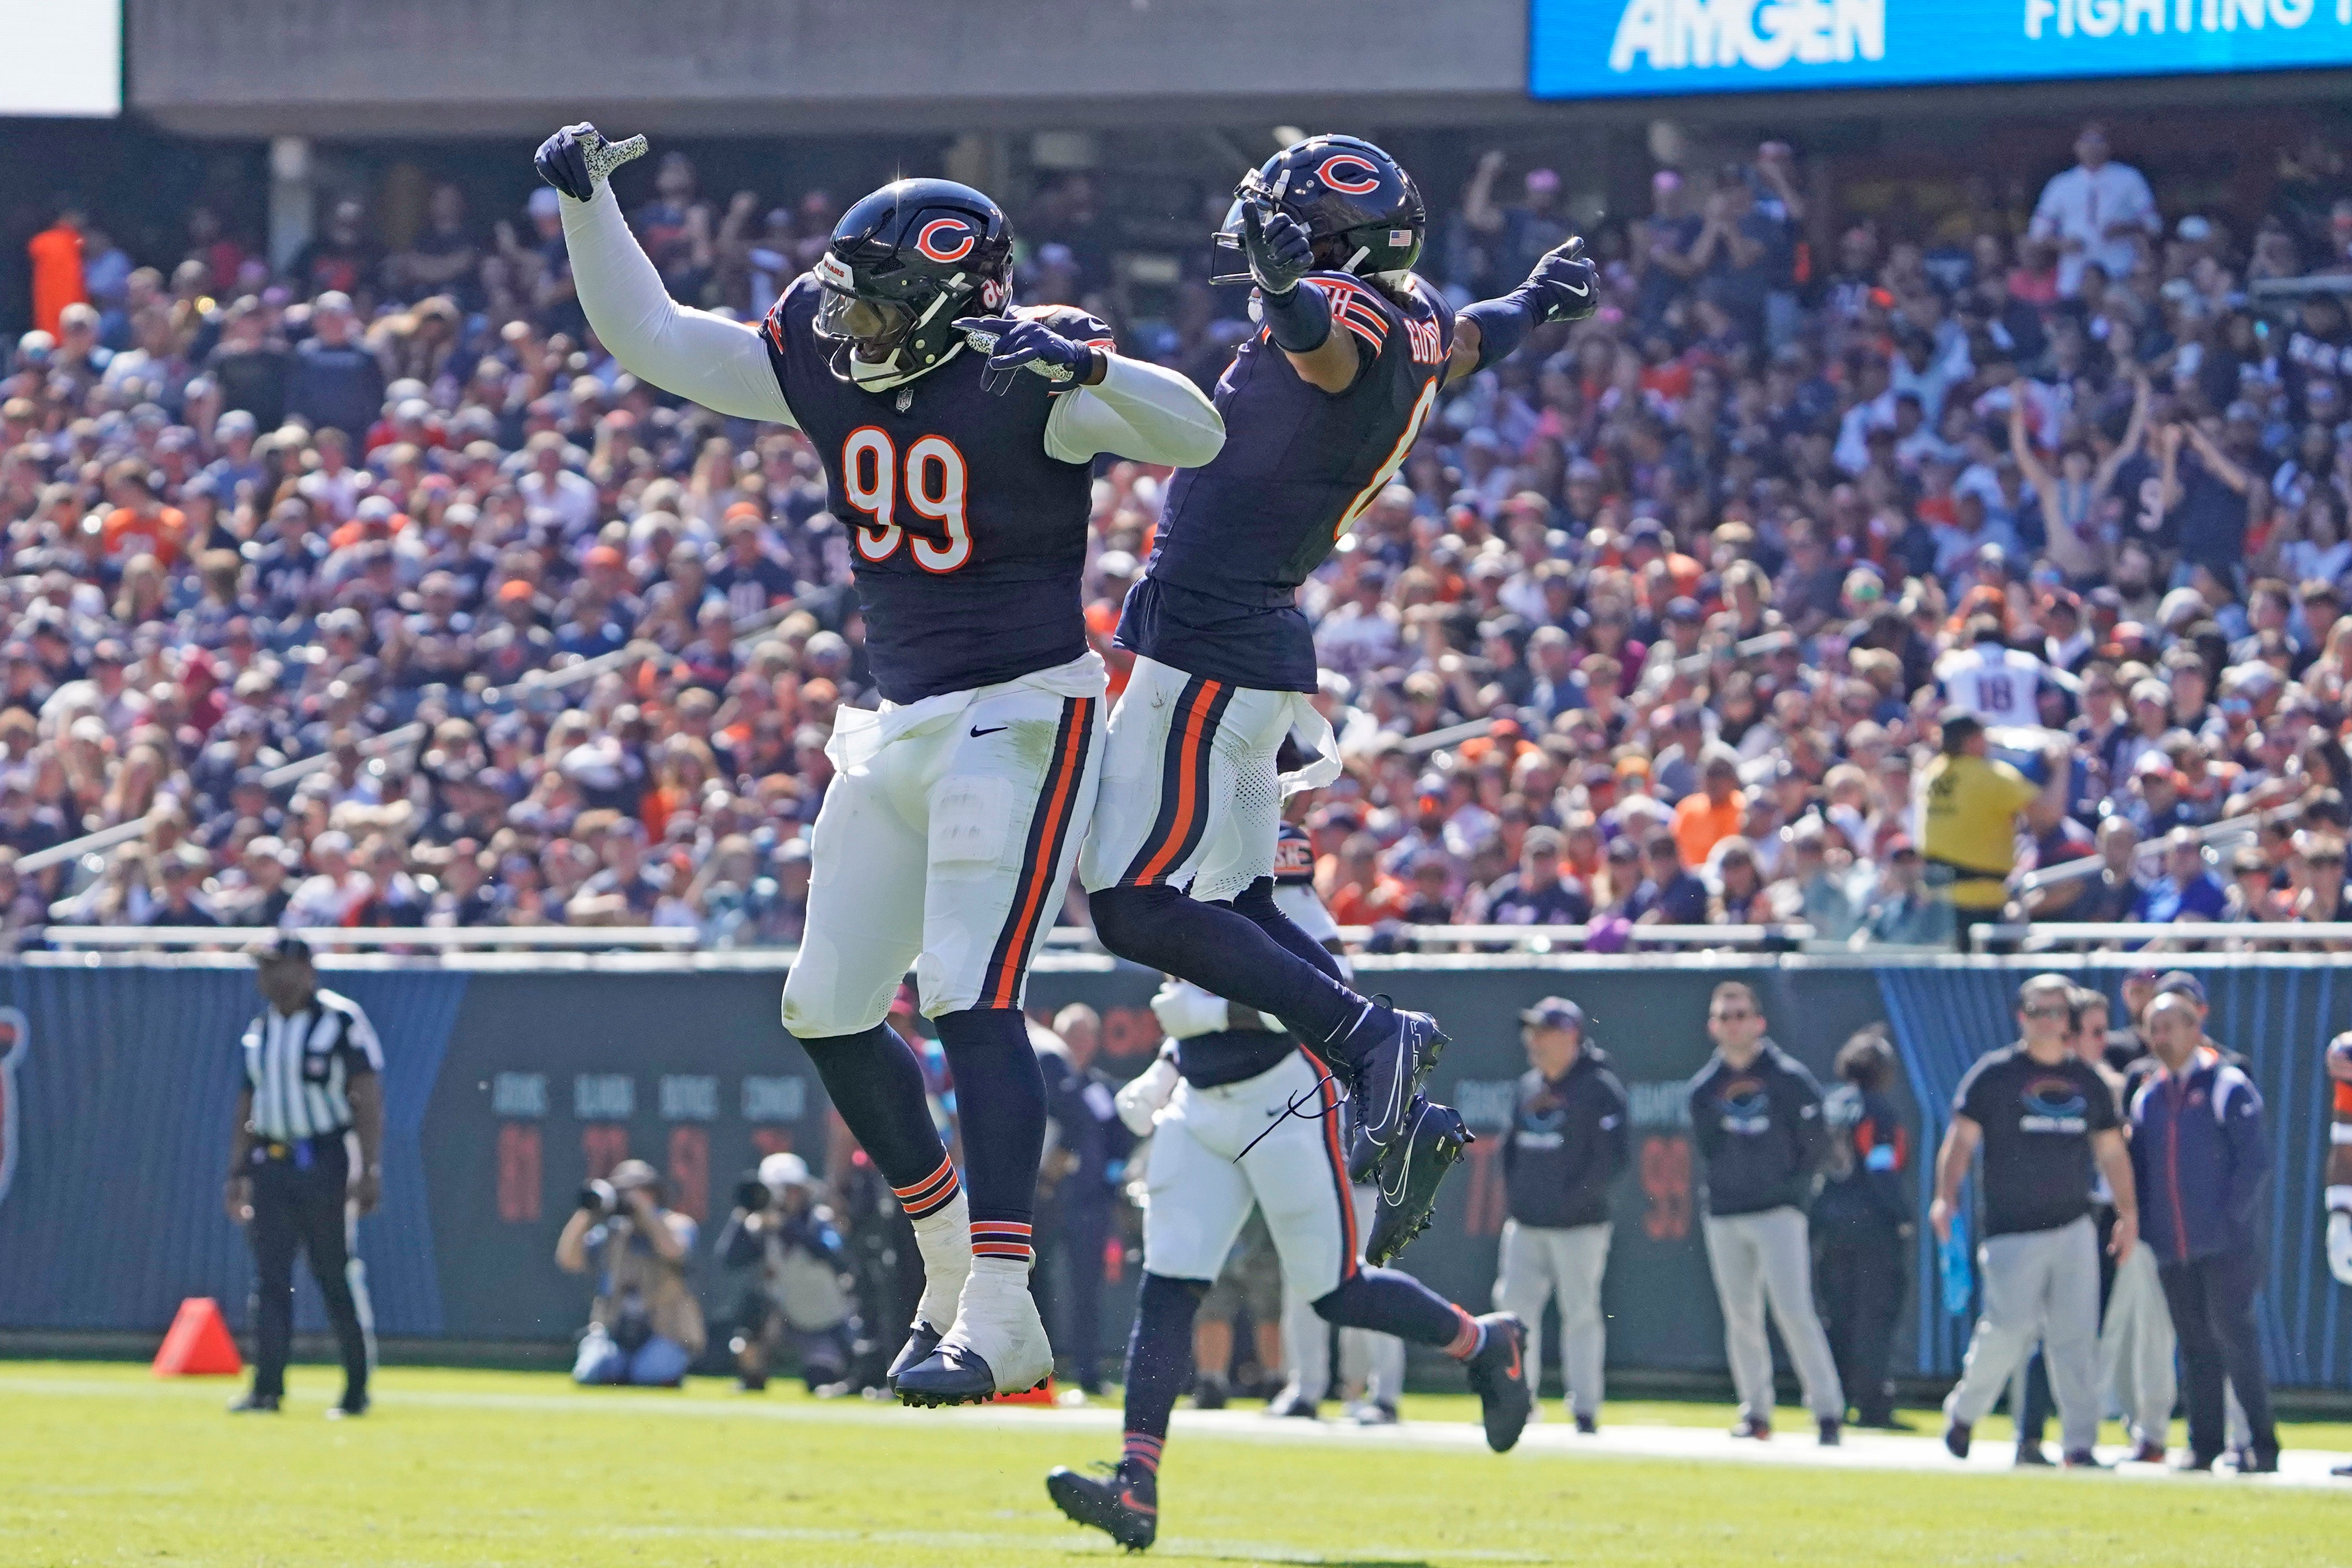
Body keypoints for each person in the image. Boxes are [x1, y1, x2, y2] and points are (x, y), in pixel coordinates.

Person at [536, 122, 1225, 1407]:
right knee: (827, 1005)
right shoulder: (835, 354)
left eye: (872, 295)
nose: (843, 316)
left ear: (948, 301)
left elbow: (1195, 435)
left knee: (969, 988)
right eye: (842, 290)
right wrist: (591, 210)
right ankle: (949, 1261)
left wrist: (1092, 363)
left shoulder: (1029, 371)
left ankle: (1008, 1312)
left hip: (1022, 708)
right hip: (896, 711)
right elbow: (666, 341)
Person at [1076, 132, 1598, 1256]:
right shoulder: (1413, 311)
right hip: (1251, 637)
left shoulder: (1345, 312)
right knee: (1245, 902)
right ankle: (1404, 1094)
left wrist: (1281, 286)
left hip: (1213, 638)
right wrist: (1533, 302)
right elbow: (1463, 344)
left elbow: (1323, 349)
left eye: (1287, 227)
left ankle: (1372, 1036)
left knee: (1130, 903)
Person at [1046, 879, 1529, 1552]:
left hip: (1285, 1101)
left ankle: (1484, 1343)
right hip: (1200, 1102)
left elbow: (1333, 995)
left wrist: (1202, 1014)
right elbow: (1194, 991)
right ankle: (1136, 1483)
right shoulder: (1176, 868)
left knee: (1336, 1289)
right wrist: (1169, 1058)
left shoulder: (1273, 886)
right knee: (1169, 1284)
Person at [1932, 975, 2138, 1468]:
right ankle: (1965, 1412)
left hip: (2073, 1224)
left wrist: (2129, 1214)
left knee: (2075, 1338)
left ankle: (2080, 1444)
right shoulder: (1994, 1075)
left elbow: (2111, 1151)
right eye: (2039, 1011)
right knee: (2007, 1329)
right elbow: (1960, 1141)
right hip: (2012, 1227)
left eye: (2057, 1013)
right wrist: (1945, 1198)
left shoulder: (2088, 1081)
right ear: (2021, 1016)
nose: (2049, 1021)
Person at [223, 935, 383, 1418]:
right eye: (265, 968)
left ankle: (355, 1390)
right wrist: (237, 1169)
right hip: (271, 1162)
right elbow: (249, 1104)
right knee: (270, 1279)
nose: (272, 978)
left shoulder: (340, 1020)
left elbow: (367, 1095)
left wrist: (368, 1166)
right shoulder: (261, 1029)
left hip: (325, 1159)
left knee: (334, 1273)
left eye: (281, 967)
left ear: (307, 970)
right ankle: (267, 1389)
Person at [1686, 981, 1845, 1444]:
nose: (1734, 1024)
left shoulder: (1790, 1080)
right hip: (1726, 1212)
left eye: (1741, 1014)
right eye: (1725, 1016)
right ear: (1713, 1026)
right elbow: (1710, 1149)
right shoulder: (1704, 1089)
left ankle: (1828, 1412)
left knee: (1795, 1311)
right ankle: (1756, 1412)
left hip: (1779, 1211)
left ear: (1760, 1022)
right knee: (1740, 1316)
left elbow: (1814, 1145)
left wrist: (1792, 1194)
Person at [2129, 991, 2279, 1473]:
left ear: (2196, 1029)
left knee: (2237, 1337)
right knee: (2194, 1344)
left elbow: (2254, 1161)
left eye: (2172, 1024)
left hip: (2225, 1244)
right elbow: (2140, 1170)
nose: (2162, 1036)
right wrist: (2153, 1229)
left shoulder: (2227, 1085)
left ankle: (2262, 1445)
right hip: (2174, 1244)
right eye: (2155, 1026)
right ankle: (2205, 1444)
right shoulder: (2147, 1095)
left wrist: (2231, 1220)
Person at [1492, 996, 1628, 1432]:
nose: (1534, 1041)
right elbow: (1510, 1152)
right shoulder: (1528, 1086)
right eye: (1531, 1031)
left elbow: (1611, 1162)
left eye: (1544, 1031)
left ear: (1571, 1036)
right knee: (1513, 1314)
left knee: (1582, 1314)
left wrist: (1573, 1204)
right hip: (1527, 1226)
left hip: (1579, 1228)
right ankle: (1517, 1403)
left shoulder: (1599, 1088)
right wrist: (1521, 1204)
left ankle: (1585, 1408)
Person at [1811, 1028, 1910, 1430]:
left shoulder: (1829, 1105)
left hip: (1830, 1221)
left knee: (1838, 1312)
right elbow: (1881, 1167)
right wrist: (1901, 1215)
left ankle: (1834, 1395)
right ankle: (1872, 1401)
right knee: (1874, 1313)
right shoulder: (1878, 1112)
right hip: (1871, 1225)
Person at [1918, 710, 2071, 948]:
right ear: (1972, 741)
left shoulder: (1933, 772)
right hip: (1979, 901)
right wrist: (2061, 767)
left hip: (1935, 902)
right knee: (1978, 982)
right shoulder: (1990, 776)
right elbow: (2049, 813)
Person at [715, 1153, 858, 1394]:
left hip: (821, 1321)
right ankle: (754, 1373)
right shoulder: (758, 1225)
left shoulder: (820, 1220)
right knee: (751, 1309)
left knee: (820, 1377)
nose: (785, 1197)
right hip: (779, 1320)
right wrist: (743, 1215)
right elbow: (730, 1259)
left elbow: (836, 1256)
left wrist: (786, 1227)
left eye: (791, 1189)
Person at [558, 1159, 706, 1386]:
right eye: (622, 1191)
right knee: (591, 1373)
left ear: (653, 1192)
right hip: (615, 1330)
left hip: (664, 1331)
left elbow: (674, 1251)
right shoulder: (613, 1232)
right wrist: (587, 1212)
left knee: (648, 1375)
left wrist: (645, 1212)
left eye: (635, 1189)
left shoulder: (676, 1224)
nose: (628, 1197)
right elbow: (569, 1260)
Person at [2027, 122, 2160, 298]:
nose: (2093, 148)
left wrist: (2126, 228)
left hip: (2119, 274)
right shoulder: (2061, 184)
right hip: (2074, 280)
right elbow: (2037, 233)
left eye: (2099, 142)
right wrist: (2062, 244)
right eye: (2087, 142)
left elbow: (2154, 225)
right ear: (2077, 146)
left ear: (2108, 146)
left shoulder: (2129, 179)